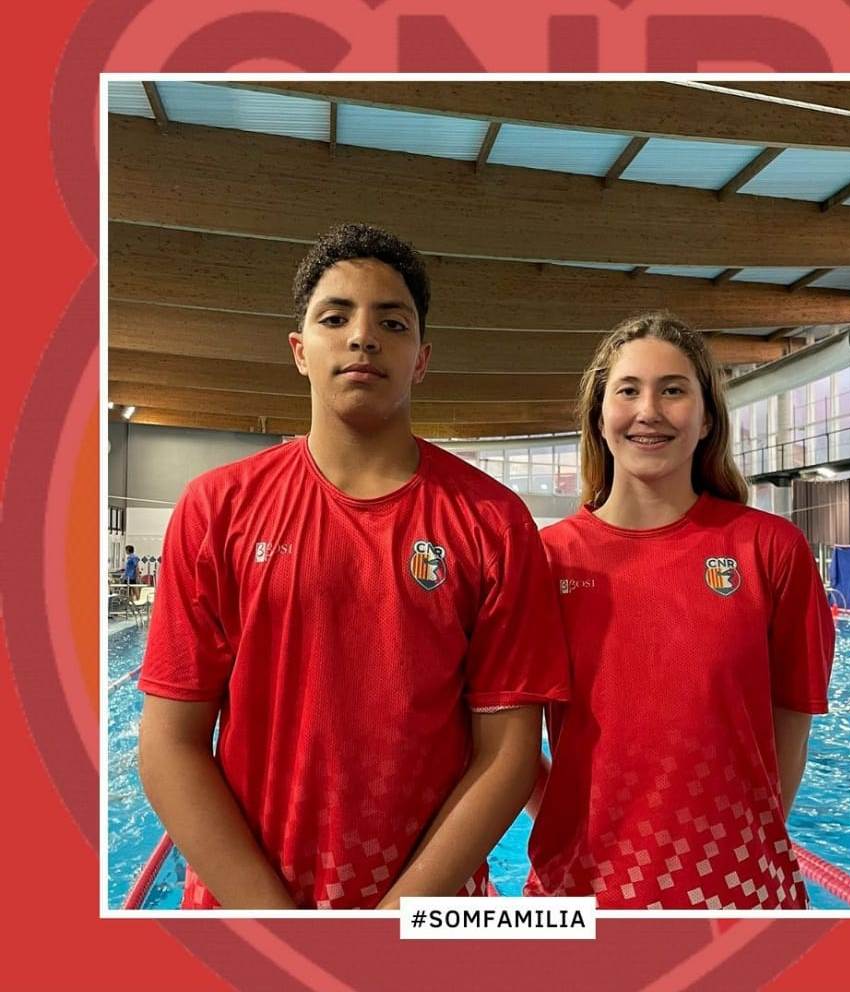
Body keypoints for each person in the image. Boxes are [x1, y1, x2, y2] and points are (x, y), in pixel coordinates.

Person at [137, 223, 570, 909]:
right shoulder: (217, 508)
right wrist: (278, 928)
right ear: (300, 350)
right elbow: (168, 745)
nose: (362, 337)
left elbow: (509, 754)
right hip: (247, 909)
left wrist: (392, 929)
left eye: (391, 322)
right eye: (334, 317)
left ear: (422, 358)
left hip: (431, 917)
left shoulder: (493, 521)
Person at [525, 312, 834, 909]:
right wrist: (568, 822)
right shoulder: (547, 560)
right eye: (629, 390)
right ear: (598, 415)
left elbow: (791, 719)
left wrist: (737, 843)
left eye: (673, 390)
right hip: (580, 889)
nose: (650, 410)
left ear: (707, 417)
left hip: (738, 887)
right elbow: (507, 739)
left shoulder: (770, 550)